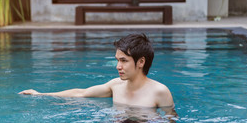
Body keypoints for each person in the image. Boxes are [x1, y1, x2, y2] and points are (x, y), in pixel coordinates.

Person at [19, 33, 174, 109]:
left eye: (124, 61)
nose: (118, 66)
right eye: (117, 60)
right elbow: (81, 93)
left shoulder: (160, 92)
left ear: (141, 62)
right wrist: (40, 94)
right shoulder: (115, 86)